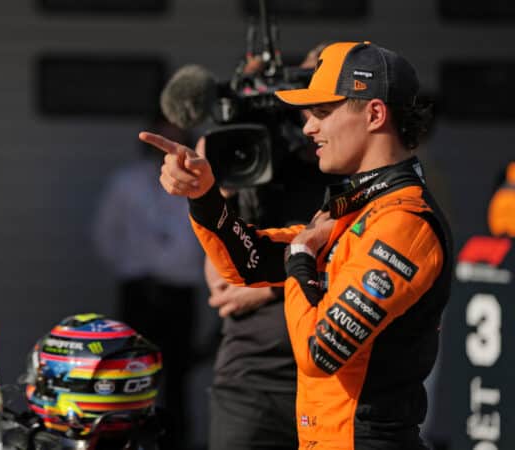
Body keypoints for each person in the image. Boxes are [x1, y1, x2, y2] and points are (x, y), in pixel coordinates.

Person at [140, 41, 452, 449]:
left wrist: (302, 255)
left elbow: (318, 351)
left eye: (322, 112)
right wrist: (205, 195)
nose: (307, 127)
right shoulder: (359, 208)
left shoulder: (404, 224)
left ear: (375, 114)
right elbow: (251, 264)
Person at [204, 45, 340, 450]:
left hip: (334, 383)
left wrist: (266, 286)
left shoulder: (357, 173)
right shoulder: (257, 163)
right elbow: (221, 285)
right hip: (251, 380)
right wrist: (217, 192)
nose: (311, 119)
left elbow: (368, 264)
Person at [91, 117, 202, 449]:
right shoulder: (127, 181)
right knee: (132, 373)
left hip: (181, 291)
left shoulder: (199, 182)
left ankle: (176, 442)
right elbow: (104, 233)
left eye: (176, 135)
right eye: (162, 134)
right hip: (140, 290)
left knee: (179, 376)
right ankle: (130, 441)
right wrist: (132, 266)